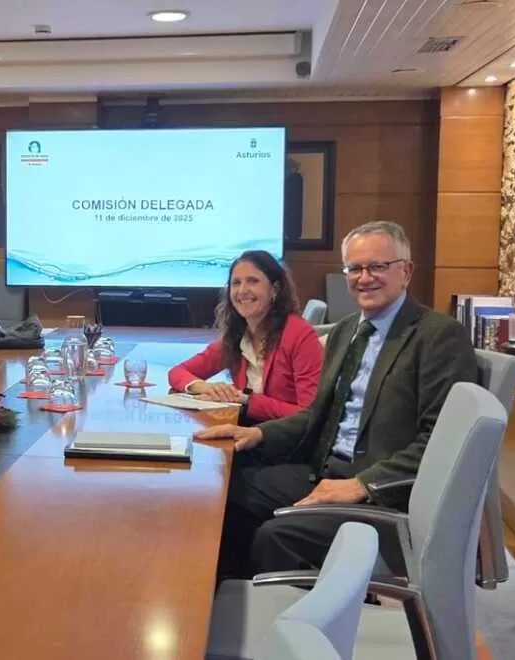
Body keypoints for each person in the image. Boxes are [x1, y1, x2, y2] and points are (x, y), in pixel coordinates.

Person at [195, 221, 478, 577]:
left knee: (274, 535)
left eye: (377, 266)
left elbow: (443, 442)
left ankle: (304, 609)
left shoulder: (438, 336)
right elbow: (318, 413)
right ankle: (233, 603)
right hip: (325, 470)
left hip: (385, 493)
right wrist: (258, 433)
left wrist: (361, 484)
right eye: (355, 268)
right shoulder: (347, 330)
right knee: (225, 490)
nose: (365, 278)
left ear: (406, 272)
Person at [168, 250, 322, 423]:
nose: (242, 291)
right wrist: (207, 388)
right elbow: (176, 373)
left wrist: (246, 400)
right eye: (236, 283)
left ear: (275, 289)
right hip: (244, 429)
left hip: (284, 436)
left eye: (253, 281)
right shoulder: (237, 335)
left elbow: (309, 415)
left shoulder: (299, 335)